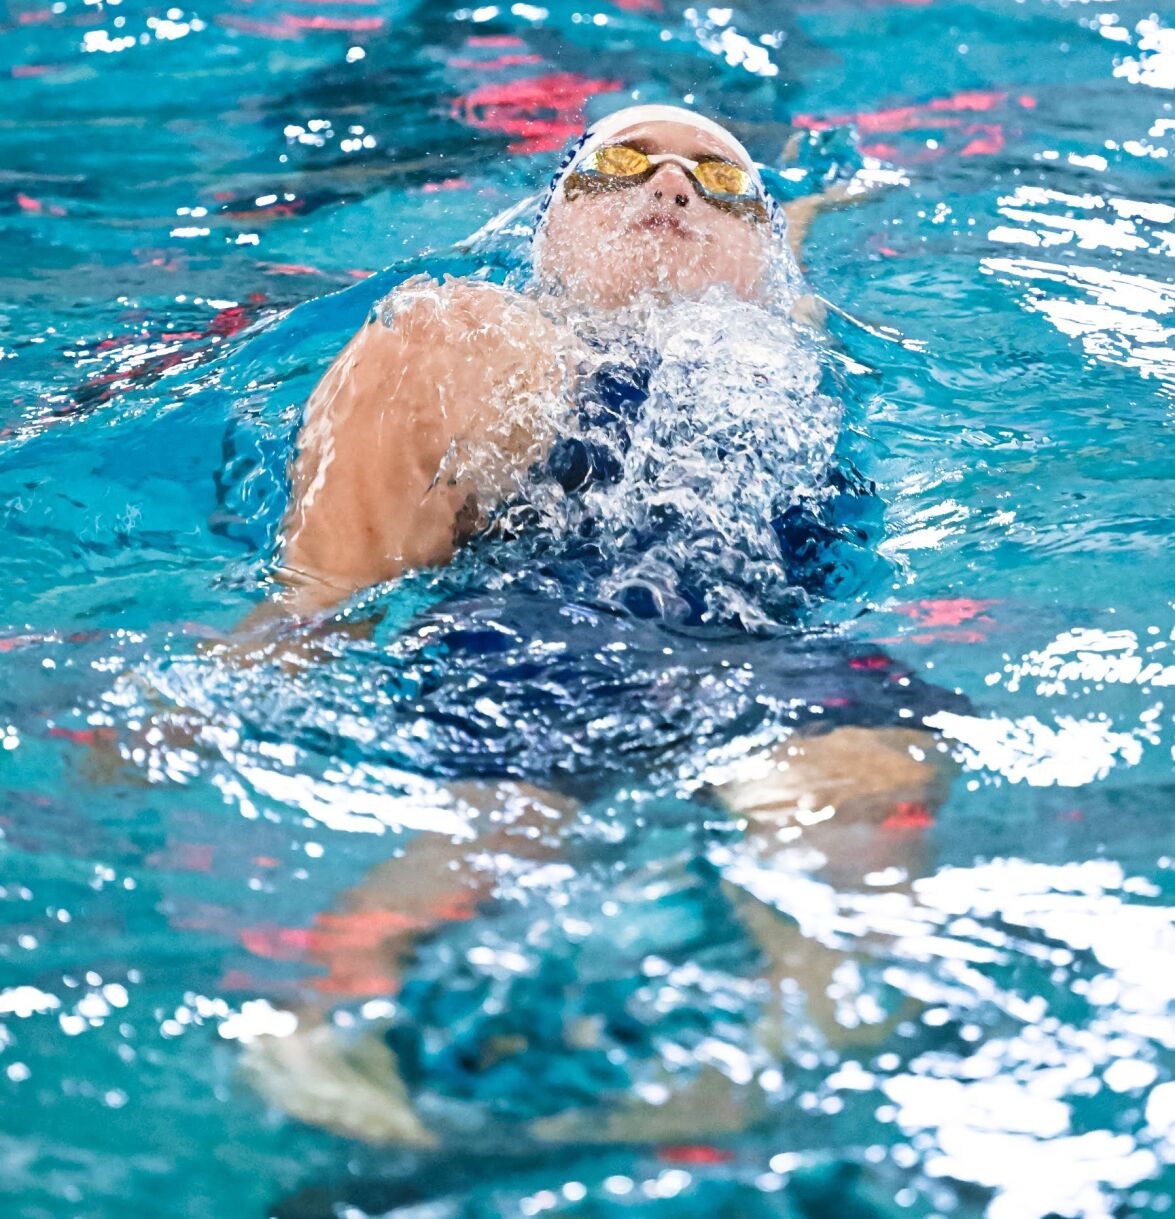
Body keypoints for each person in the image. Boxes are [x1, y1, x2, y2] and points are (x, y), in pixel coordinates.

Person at [169, 104, 963, 1146]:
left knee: (866, 773)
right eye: (621, 167)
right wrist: (285, 628)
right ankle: (336, 1023)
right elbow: (332, 578)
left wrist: (815, 194)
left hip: (767, 645)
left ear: (760, 252)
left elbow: (784, 242)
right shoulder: (505, 343)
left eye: (717, 181)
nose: (670, 188)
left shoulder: (778, 334)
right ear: (547, 235)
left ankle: (782, 1048)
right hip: (545, 633)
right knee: (506, 822)